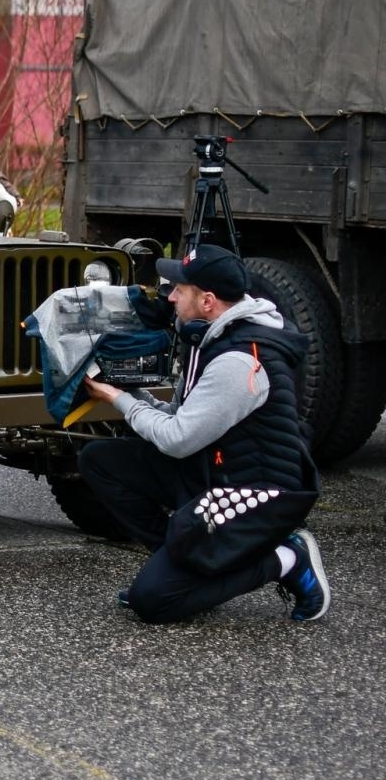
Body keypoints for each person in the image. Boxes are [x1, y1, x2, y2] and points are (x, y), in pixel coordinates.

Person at [79, 244, 331, 624]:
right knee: (100, 461)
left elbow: (178, 439)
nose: (171, 297)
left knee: (153, 603)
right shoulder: (211, 337)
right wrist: (131, 392)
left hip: (254, 495)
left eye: (180, 290)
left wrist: (119, 400)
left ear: (208, 301)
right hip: (212, 469)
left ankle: (288, 559)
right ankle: (190, 574)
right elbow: (183, 418)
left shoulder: (239, 360)